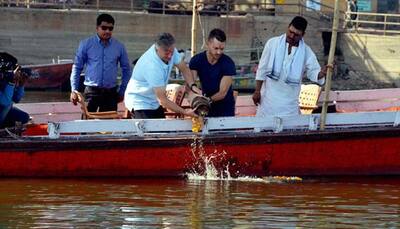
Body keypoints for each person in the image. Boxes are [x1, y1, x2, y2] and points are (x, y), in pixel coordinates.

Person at [252, 16, 329, 117]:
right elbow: (262, 69)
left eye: (296, 35)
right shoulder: (272, 43)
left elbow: (313, 73)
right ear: (288, 27)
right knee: (264, 129)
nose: (292, 36)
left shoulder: (306, 51)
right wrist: (257, 91)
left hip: (289, 105)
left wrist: (322, 73)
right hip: (268, 102)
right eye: (290, 32)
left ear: (303, 35)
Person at [124, 32, 199, 119]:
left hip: (154, 100)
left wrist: (193, 86)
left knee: (162, 129)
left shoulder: (170, 50)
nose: (170, 55)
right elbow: (163, 101)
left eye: (172, 51)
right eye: (166, 52)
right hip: (139, 101)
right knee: (149, 131)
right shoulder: (152, 66)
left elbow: (185, 70)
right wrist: (185, 112)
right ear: (157, 48)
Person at [69, 13, 131, 112]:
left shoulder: (119, 47)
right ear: (97, 28)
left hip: (110, 93)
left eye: (110, 29)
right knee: (87, 124)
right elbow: (77, 67)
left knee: (108, 126)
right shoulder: (86, 44)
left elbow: (127, 69)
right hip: (91, 92)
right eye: (104, 27)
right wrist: (74, 90)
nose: (107, 31)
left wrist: (122, 91)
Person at [189, 28, 236, 117]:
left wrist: (206, 100)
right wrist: (194, 91)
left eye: (222, 49)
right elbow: (190, 83)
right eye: (216, 48)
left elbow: (222, 93)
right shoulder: (196, 60)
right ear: (208, 44)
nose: (219, 52)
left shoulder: (228, 63)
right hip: (204, 106)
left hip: (225, 108)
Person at [0, 60, 30, 128]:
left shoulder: (4, 81)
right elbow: (5, 103)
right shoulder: (7, 81)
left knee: (24, 117)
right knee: (6, 106)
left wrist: (21, 84)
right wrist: (11, 83)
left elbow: (17, 99)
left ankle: (4, 128)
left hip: (3, 112)